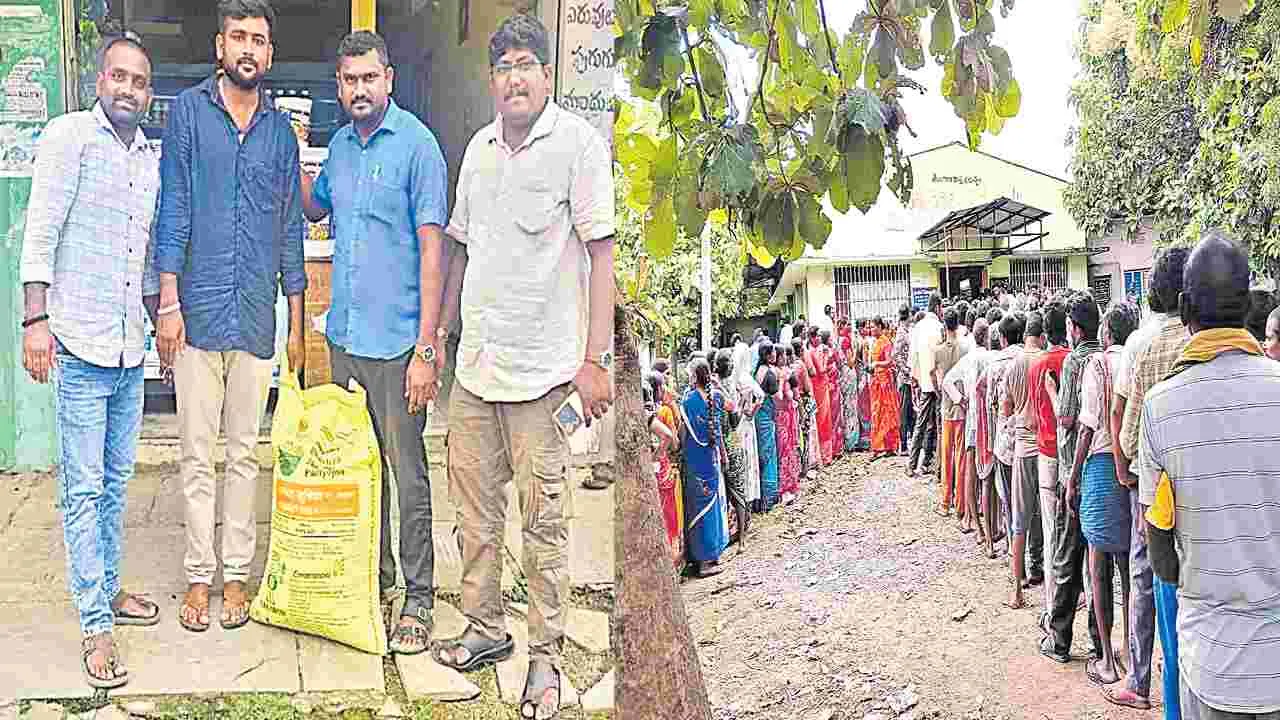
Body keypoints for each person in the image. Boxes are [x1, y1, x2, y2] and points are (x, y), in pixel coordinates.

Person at [431, 14, 614, 717]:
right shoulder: (477, 150)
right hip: (476, 372)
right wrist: (439, 337)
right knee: (475, 522)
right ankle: (484, 632)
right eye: (503, 65)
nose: (514, 77)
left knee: (545, 527)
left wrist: (595, 362)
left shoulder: (578, 146)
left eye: (526, 64)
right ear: (492, 78)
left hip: (545, 378)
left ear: (546, 74)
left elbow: (600, 256)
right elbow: (459, 249)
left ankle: (546, 658)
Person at [154, 0, 307, 633]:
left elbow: (289, 229)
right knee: (195, 452)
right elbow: (175, 208)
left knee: (245, 451)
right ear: (221, 47)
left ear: (270, 55)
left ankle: (236, 574)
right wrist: (167, 301)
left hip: (254, 315)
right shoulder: (189, 114)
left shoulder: (280, 134)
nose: (248, 48)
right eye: (238, 37)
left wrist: (296, 322)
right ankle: (198, 574)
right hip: (195, 310)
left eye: (259, 40)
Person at [19, 31, 163, 689]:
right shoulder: (68, 137)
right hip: (77, 344)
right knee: (81, 488)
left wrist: (158, 325)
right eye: (118, 77)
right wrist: (35, 321)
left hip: (129, 347)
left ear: (148, 92)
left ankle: (107, 590)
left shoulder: (147, 159)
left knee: (115, 481)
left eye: (138, 81)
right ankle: (94, 625)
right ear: (98, 81)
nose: (127, 89)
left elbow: (145, 251)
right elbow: (40, 230)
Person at [297, 29, 447, 654]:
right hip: (347, 340)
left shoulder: (418, 147)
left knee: (406, 471)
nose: (360, 89)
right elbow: (313, 208)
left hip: (396, 345)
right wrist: (298, 155)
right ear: (339, 86)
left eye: (370, 78)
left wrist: (426, 349)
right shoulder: (340, 150)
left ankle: (418, 596)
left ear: (388, 79)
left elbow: (435, 253)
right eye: (349, 80)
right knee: (357, 469)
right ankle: (371, 577)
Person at [1139, 231, 1280, 720]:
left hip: (1211, 664)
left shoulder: (1160, 408)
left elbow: (1160, 553)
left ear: (1183, 309)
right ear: (1247, 308)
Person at [1105, 248, 1191, 715]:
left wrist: (1125, 469)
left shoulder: (1143, 342)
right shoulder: (1208, 336)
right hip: (1202, 484)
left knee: (1148, 578)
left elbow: (1123, 417)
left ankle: (1139, 680)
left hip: (1151, 486)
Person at [1070, 302, 1139, 687]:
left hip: (1099, 465)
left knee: (1098, 565)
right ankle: (1131, 651)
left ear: (1108, 333)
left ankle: (1107, 660)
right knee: (1130, 565)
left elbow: (1088, 424)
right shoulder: (1136, 359)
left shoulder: (1096, 366)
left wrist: (1073, 475)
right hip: (1128, 465)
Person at [1039, 297, 1103, 666]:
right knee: (1097, 564)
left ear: (1074, 329)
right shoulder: (1107, 356)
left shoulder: (1075, 361)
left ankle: (1060, 640)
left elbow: (1066, 419)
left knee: (1066, 557)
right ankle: (1099, 641)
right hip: (1099, 474)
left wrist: (1051, 392)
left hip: (1072, 472)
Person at [1025, 303, 1071, 622]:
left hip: (1045, 453)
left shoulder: (1035, 366)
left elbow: (1030, 418)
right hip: (1070, 455)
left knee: (1051, 529)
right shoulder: (1075, 360)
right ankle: (1076, 595)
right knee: (1073, 530)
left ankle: (1052, 604)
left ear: (1042, 336)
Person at [1002, 310, 1045, 610]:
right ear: (1042, 336)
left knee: (1019, 521)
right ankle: (1054, 588)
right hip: (1045, 450)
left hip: (1021, 451)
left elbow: (1005, 409)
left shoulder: (1014, 365)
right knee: (1048, 519)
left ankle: (1016, 591)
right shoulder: (1045, 361)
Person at [677, 359, 730, 578]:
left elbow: (683, 432)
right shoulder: (716, 396)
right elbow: (718, 430)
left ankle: (703, 562)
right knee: (712, 506)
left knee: (698, 508)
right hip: (711, 458)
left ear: (694, 376)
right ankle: (713, 554)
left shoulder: (688, 401)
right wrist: (724, 456)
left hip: (694, 459)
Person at [715, 350, 754, 547]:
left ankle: (736, 533)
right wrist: (742, 402)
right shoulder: (723, 392)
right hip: (730, 442)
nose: (732, 364)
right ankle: (741, 538)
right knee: (738, 490)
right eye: (730, 361)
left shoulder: (714, 388)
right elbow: (734, 420)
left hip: (717, 447)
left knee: (729, 492)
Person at [933, 308, 967, 516]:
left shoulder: (937, 351)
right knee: (961, 458)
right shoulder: (967, 348)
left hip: (947, 409)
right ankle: (961, 505)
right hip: (962, 409)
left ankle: (945, 503)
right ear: (959, 324)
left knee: (947, 457)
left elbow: (937, 380)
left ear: (945, 326)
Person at [908, 293, 944, 477]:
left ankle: (912, 464)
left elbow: (912, 357)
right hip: (939, 384)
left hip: (924, 382)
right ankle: (933, 464)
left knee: (921, 424)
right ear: (938, 307)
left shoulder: (918, 327)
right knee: (938, 425)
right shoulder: (939, 327)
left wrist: (916, 379)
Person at [647, 373, 681, 563]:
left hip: (647, 471)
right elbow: (673, 443)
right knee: (669, 515)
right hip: (662, 469)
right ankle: (672, 557)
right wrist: (659, 453)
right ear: (659, 389)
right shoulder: (664, 413)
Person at [755, 342, 782, 510]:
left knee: (762, 455)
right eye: (773, 352)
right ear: (768, 355)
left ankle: (763, 497)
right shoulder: (770, 375)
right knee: (769, 454)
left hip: (760, 417)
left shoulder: (758, 371)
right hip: (766, 418)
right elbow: (778, 398)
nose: (775, 355)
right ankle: (769, 496)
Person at [869, 317, 901, 461]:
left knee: (887, 413)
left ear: (880, 327)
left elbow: (889, 362)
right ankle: (878, 446)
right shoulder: (875, 342)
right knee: (877, 413)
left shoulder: (886, 342)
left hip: (885, 382)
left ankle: (890, 445)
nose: (871, 329)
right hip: (876, 381)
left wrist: (876, 364)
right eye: (870, 327)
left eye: (874, 327)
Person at [807, 327, 834, 466]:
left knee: (825, 419)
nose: (818, 338)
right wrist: (826, 357)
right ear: (811, 338)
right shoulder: (813, 352)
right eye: (816, 336)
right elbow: (821, 370)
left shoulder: (815, 350)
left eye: (819, 335)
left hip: (821, 386)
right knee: (822, 420)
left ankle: (826, 454)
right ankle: (824, 456)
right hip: (819, 388)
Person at [892, 306, 915, 456]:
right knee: (904, 411)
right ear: (908, 316)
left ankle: (911, 441)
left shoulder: (908, 330)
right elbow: (896, 356)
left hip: (912, 378)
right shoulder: (901, 333)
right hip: (905, 378)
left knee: (911, 411)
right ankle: (903, 445)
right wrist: (906, 370)